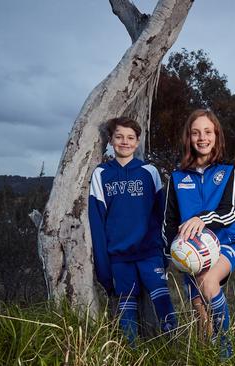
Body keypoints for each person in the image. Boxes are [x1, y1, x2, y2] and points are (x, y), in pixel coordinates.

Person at [88, 117, 177, 344]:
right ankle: (131, 353)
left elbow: (162, 215)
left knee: (163, 305)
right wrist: (103, 266)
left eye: (130, 138)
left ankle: (173, 350)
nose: (124, 142)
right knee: (126, 311)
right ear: (111, 140)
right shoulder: (101, 174)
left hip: (150, 253)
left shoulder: (149, 172)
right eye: (119, 137)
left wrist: (164, 252)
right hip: (119, 256)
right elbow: (97, 221)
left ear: (137, 142)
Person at [163, 108, 235, 357]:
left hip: (226, 242)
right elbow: (169, 221)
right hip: (191, 252)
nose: (202, 138)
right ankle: (207, 355)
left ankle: (226, 352)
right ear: (189, 137)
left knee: (209, 284)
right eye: (196, 132)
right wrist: (171, 255)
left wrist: (202, 218)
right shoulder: (176, 177)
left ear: (216, 136)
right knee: (201, 316)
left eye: (208, 132)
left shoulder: (229, 172)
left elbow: (231, 211)